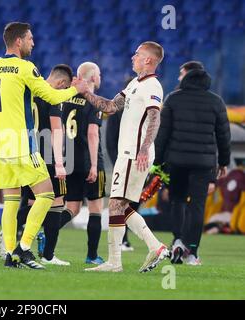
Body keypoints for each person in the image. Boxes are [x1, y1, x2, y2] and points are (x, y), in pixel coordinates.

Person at [0, 22, 86, 269]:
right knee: (46, 194)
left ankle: (10, 255)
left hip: (0, 146)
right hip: (22, 143)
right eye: (30, 38)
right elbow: (53, 96)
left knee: (11, 201)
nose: (33, 42)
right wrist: (77, 88)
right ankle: (24, 248)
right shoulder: (25, 68)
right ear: (19, 41)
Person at [83, 41, 169, 273]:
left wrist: (143, 148)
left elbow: (155, 117)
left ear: (148, 60)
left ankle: (115, 262)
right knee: (120, 205)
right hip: (127, 153)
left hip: (135, 154)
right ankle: (155, 247)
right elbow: (110, 107)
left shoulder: (153, 85)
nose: (133, 57)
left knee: (115, 204)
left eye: (138, 54)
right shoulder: (134, 84)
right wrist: (86, 93)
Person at [154, 61, 231, 266]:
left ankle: (178, 240)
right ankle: (192, 252)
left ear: (186, 78)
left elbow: (163, 134)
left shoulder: (173, 99)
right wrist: (223, 162)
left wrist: (157, 162)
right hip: (203, 163)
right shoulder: (216, 101)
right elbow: (224, 136)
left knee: (177, 201)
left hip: (176, 161)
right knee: (197, 205)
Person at [11, 64, 73, 266]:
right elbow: (56, 130)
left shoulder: (30, 91)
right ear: (62, 84)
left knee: (30, 202)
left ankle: (10, 240)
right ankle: (48, 254)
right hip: (47, 156)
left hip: (28, 153)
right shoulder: (53, 95)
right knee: (57, 203)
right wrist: (59, 162)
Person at [58, 62, 106, 265]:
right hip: (88, 161)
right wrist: (94, 165)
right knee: (95, 208)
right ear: (93, 78)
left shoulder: (67, 98)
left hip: (70, 160)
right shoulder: (94, 102)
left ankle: (46, 233)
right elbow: (93, 133)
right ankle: (92, 256)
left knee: (72, 208)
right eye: (100, 74)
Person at [105, 77, 136, 252]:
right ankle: (121, 240)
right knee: (121, 201)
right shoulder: (119, 109)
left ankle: (123, 239)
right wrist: (117, 161)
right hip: (123, 160)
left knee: (129, 201)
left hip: (138, 161)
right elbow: (111, 140)